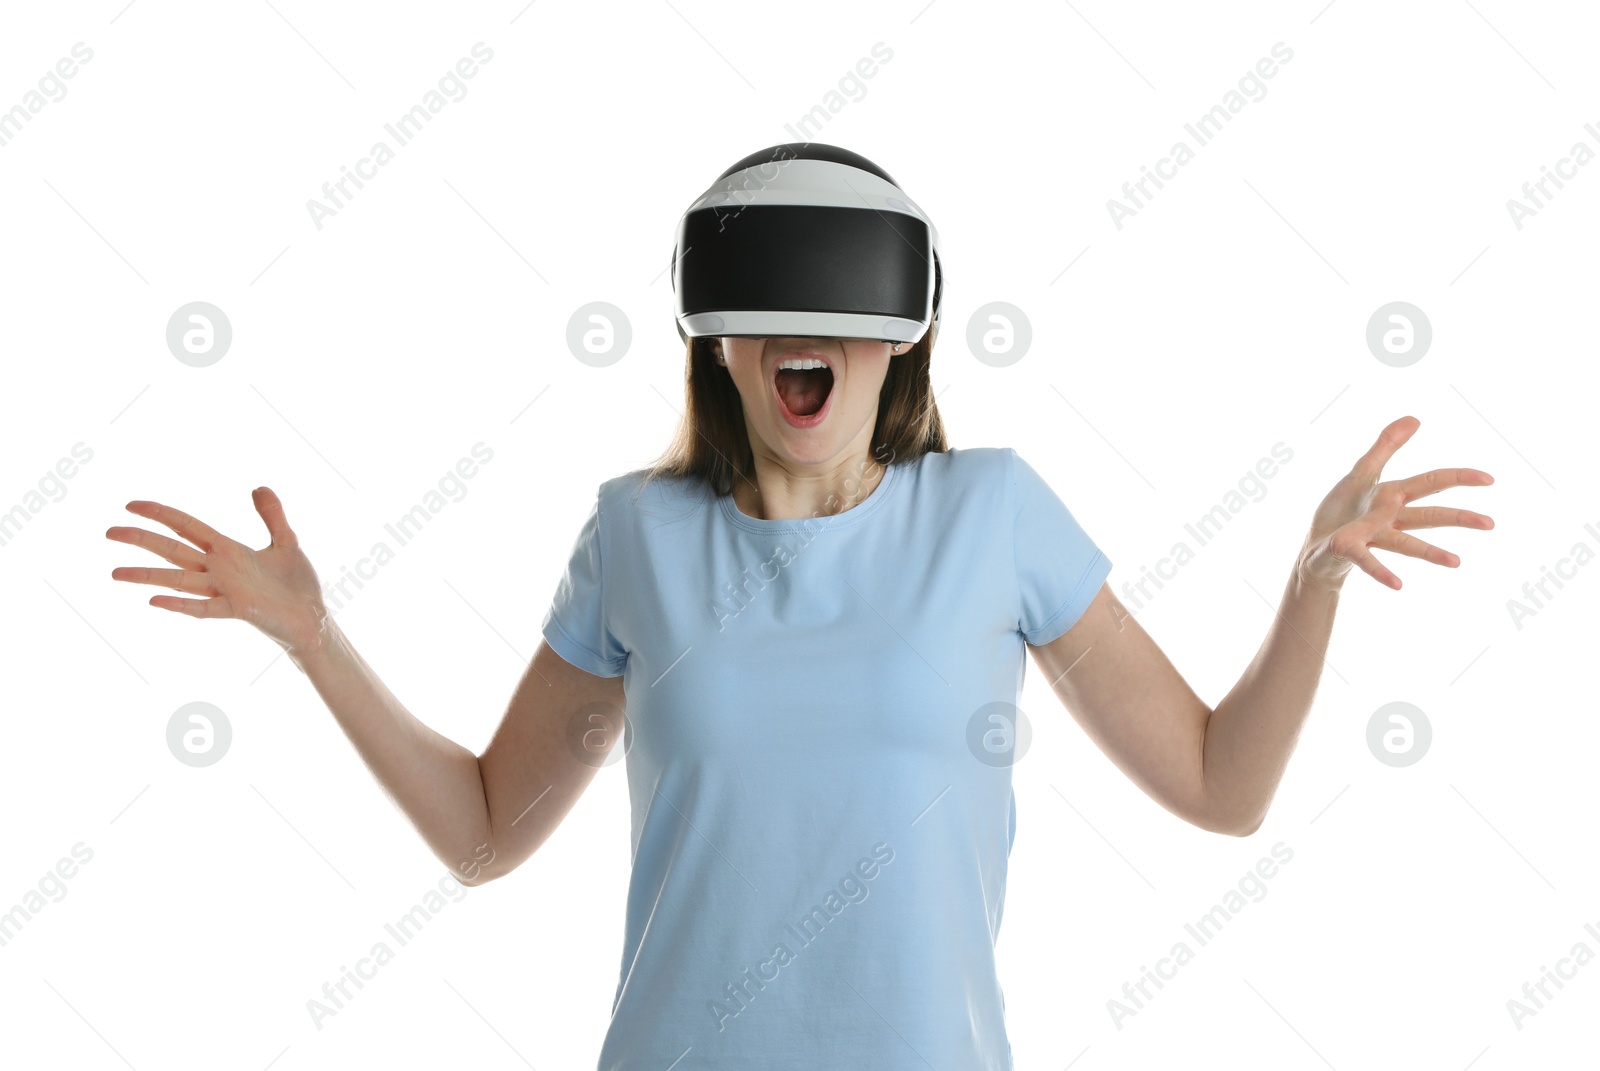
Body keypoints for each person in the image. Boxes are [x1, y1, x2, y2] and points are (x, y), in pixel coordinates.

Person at [106, 207, 1494, 1071]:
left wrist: (1311, 580)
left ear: (904, 340)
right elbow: (484, 833)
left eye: (845, 303)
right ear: (715, 339)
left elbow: (1220, 788)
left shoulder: (995, 516)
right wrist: (313, 640)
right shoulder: (636, 537)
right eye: (768, 303)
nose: (805, 333)